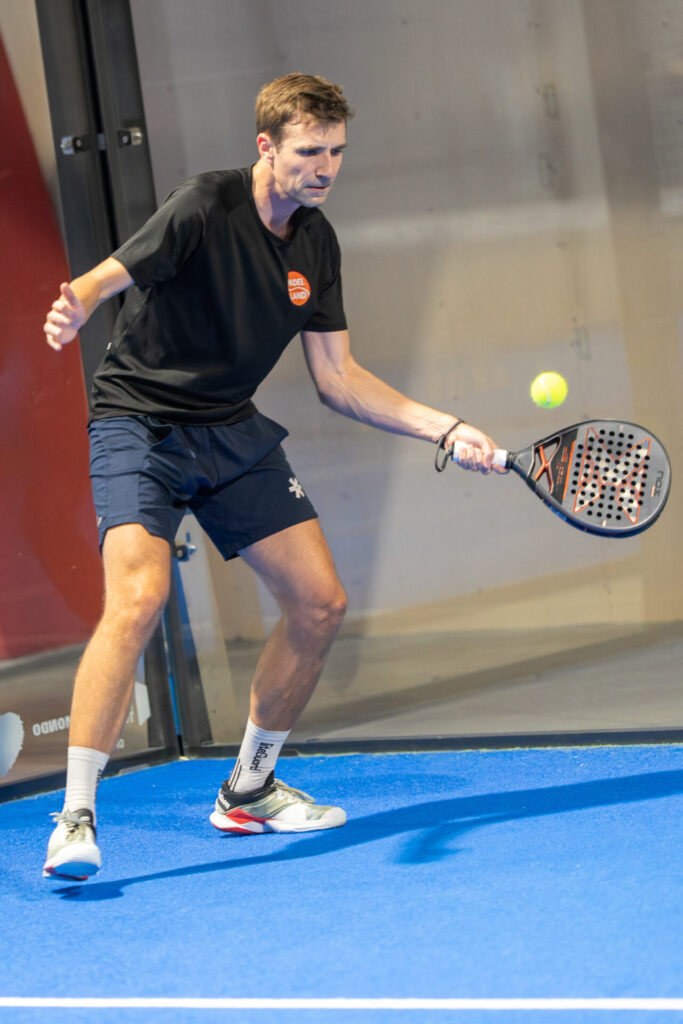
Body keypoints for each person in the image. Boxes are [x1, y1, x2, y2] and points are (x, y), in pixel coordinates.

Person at [41, 73, 504, 881]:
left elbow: (339, 378)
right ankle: (76, 815)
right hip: (139, 425)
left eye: (335, 152)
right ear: (267, 146)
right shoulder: (205, 203)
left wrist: (448, 426)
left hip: (230, 430)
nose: (324, 167)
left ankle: (249, 788)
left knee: (319, 603)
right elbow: (110, 275)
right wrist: (73, 304)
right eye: (308, 151)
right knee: (139, 598)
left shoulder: (317, 242)